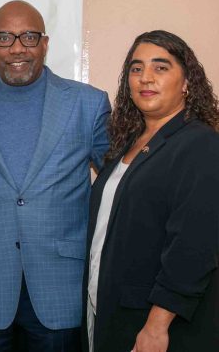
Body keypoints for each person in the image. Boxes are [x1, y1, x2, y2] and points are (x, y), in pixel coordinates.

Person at [0, 0, 111, 351]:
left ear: (45, 44)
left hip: (60, 288)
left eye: (29, 37)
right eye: (5, 37)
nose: (17, 47)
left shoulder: (88, 104)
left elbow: (118, 184)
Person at [83, 30, 219, 352]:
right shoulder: (126, 145)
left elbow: (194, 244)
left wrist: (158, 323)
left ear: (187, 82)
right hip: (111, 312)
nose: (146, 78)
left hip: (158, 325)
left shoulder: (200, 144)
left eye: (161, 67)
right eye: (136, 68)